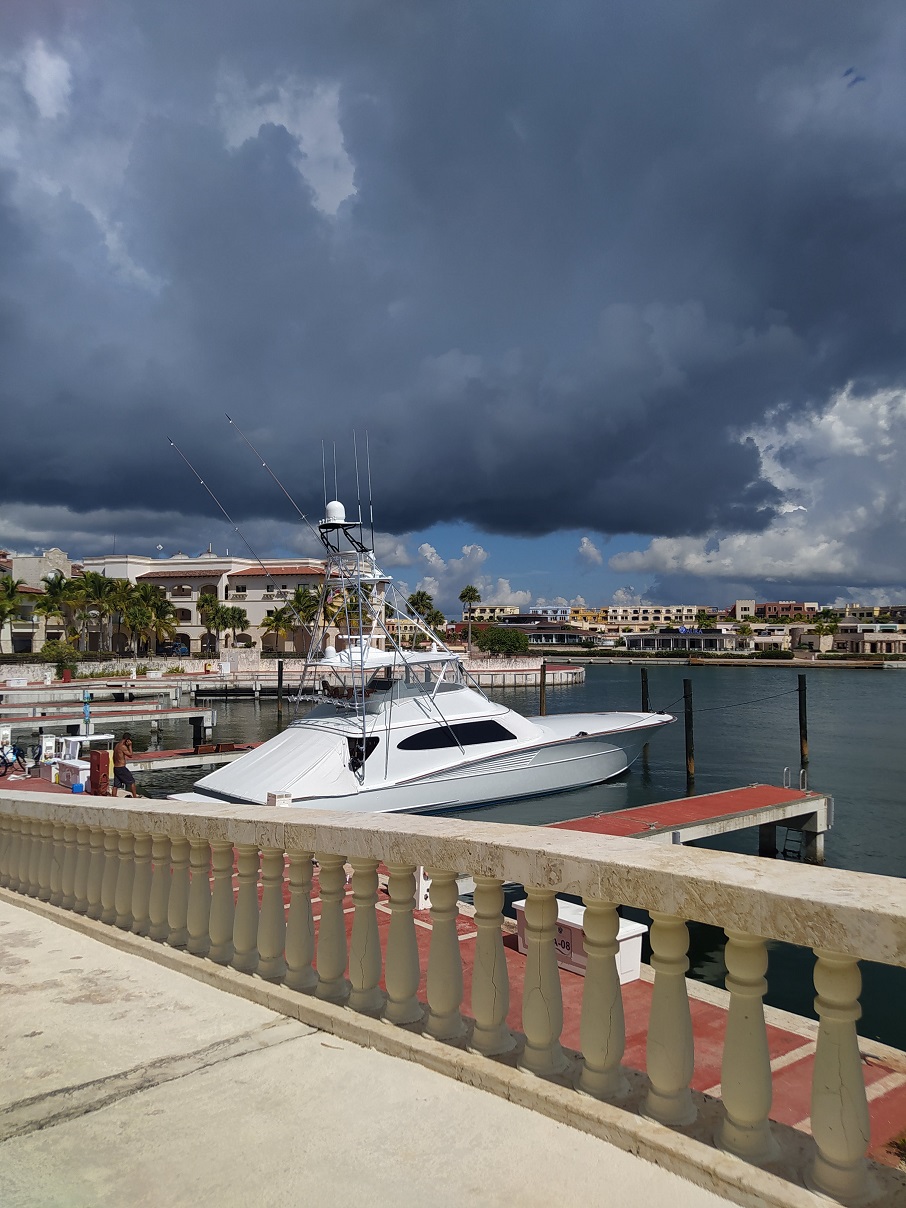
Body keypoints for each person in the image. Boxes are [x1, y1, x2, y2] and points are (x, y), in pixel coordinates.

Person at [112, 732, 138, 798]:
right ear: (127, 739)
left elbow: (113, 757)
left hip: (116, 767)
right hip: (121, 768)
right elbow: (130, 755)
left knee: (116, 785)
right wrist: (130, 746)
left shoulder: (117, 745)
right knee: (132, 781)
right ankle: (135, 797)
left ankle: (113, 796)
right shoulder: (122, 747)